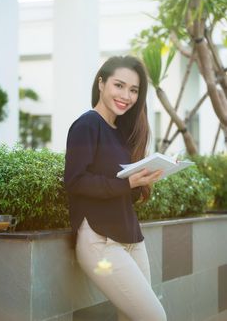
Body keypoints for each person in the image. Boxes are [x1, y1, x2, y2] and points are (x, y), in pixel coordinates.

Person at [64, 55, 167, 321]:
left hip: (131, 238)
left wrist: (142, 180)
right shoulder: (87, 125)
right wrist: (127, 183)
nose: (126, 95)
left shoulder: (122, 132)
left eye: (134, 90)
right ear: (101, 83)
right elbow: (75, 181)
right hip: (100, 241)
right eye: (119, 85)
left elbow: (122, 191)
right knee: (155, 317)